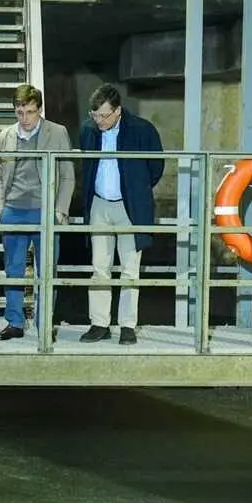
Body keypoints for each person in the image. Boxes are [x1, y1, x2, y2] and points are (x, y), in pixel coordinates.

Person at [0, 84, 75, 341]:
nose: (25, 118)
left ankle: (44, 324)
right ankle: (14, 322)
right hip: (13, 210)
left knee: (46, 271)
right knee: (13, 270)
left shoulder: (57, 132)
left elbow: (67, 175)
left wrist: (60, 211)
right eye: (20, 112)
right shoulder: (7, 135)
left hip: (45, 211)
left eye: (30, 112)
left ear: (39, 110)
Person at [77, 83, 163, 345]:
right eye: (95, 115)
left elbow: (156, 167)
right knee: (99, 267)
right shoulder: (88, 129)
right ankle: (99, 323)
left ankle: (127, 325)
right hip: (99, 204)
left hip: (130, 207)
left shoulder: (142, 129)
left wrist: (137, 190)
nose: (99, 121)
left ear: (118, 111)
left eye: (104, 115)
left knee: (130, 268)